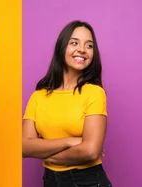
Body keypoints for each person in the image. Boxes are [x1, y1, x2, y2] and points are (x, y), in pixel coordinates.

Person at [22, 20, 111, 187]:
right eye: (74, 43)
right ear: (61, 48)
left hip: (88, 180)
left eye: (89, 46)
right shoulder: (38, 96)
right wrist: (71, 141)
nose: (82, 50)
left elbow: (90, 151)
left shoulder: (94, 93)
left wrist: (46, 156)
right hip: (50, 181)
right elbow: (24, 146)